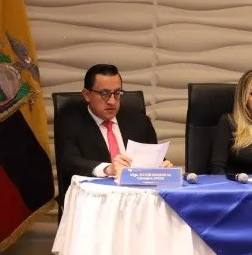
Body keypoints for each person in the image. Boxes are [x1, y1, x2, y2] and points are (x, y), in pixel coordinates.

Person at [55, 64, 169, 202]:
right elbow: (70, 163)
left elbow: (153, 157)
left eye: (117, 93)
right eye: (104, 94)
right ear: (87, 95)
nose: (112, 101)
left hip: (138, 200)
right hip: (94, 201)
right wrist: (108, 169)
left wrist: (162, 167)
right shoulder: (70, 122)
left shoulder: (139, 121)